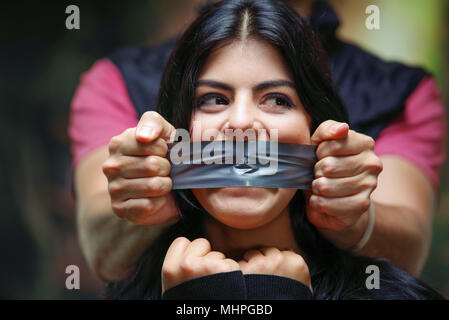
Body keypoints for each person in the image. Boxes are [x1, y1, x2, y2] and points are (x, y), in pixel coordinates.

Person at [69, 0, 446, 283]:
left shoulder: (401, 92)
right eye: (213, 99)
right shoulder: (116, 80)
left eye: (278, 100)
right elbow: (105, 253)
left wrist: (356, 218)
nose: (242, 123)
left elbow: (408, 252)